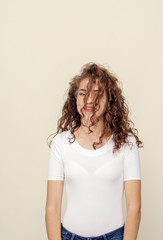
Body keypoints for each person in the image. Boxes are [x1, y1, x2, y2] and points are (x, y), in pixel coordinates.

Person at [45, 62, 143, 240]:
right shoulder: (60, 144)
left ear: (110, 100)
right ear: (75, 98)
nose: (89, 100)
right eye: (83, 93)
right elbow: (52, 207)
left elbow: (134, 207)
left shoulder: (127, 143)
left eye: (97, 94)